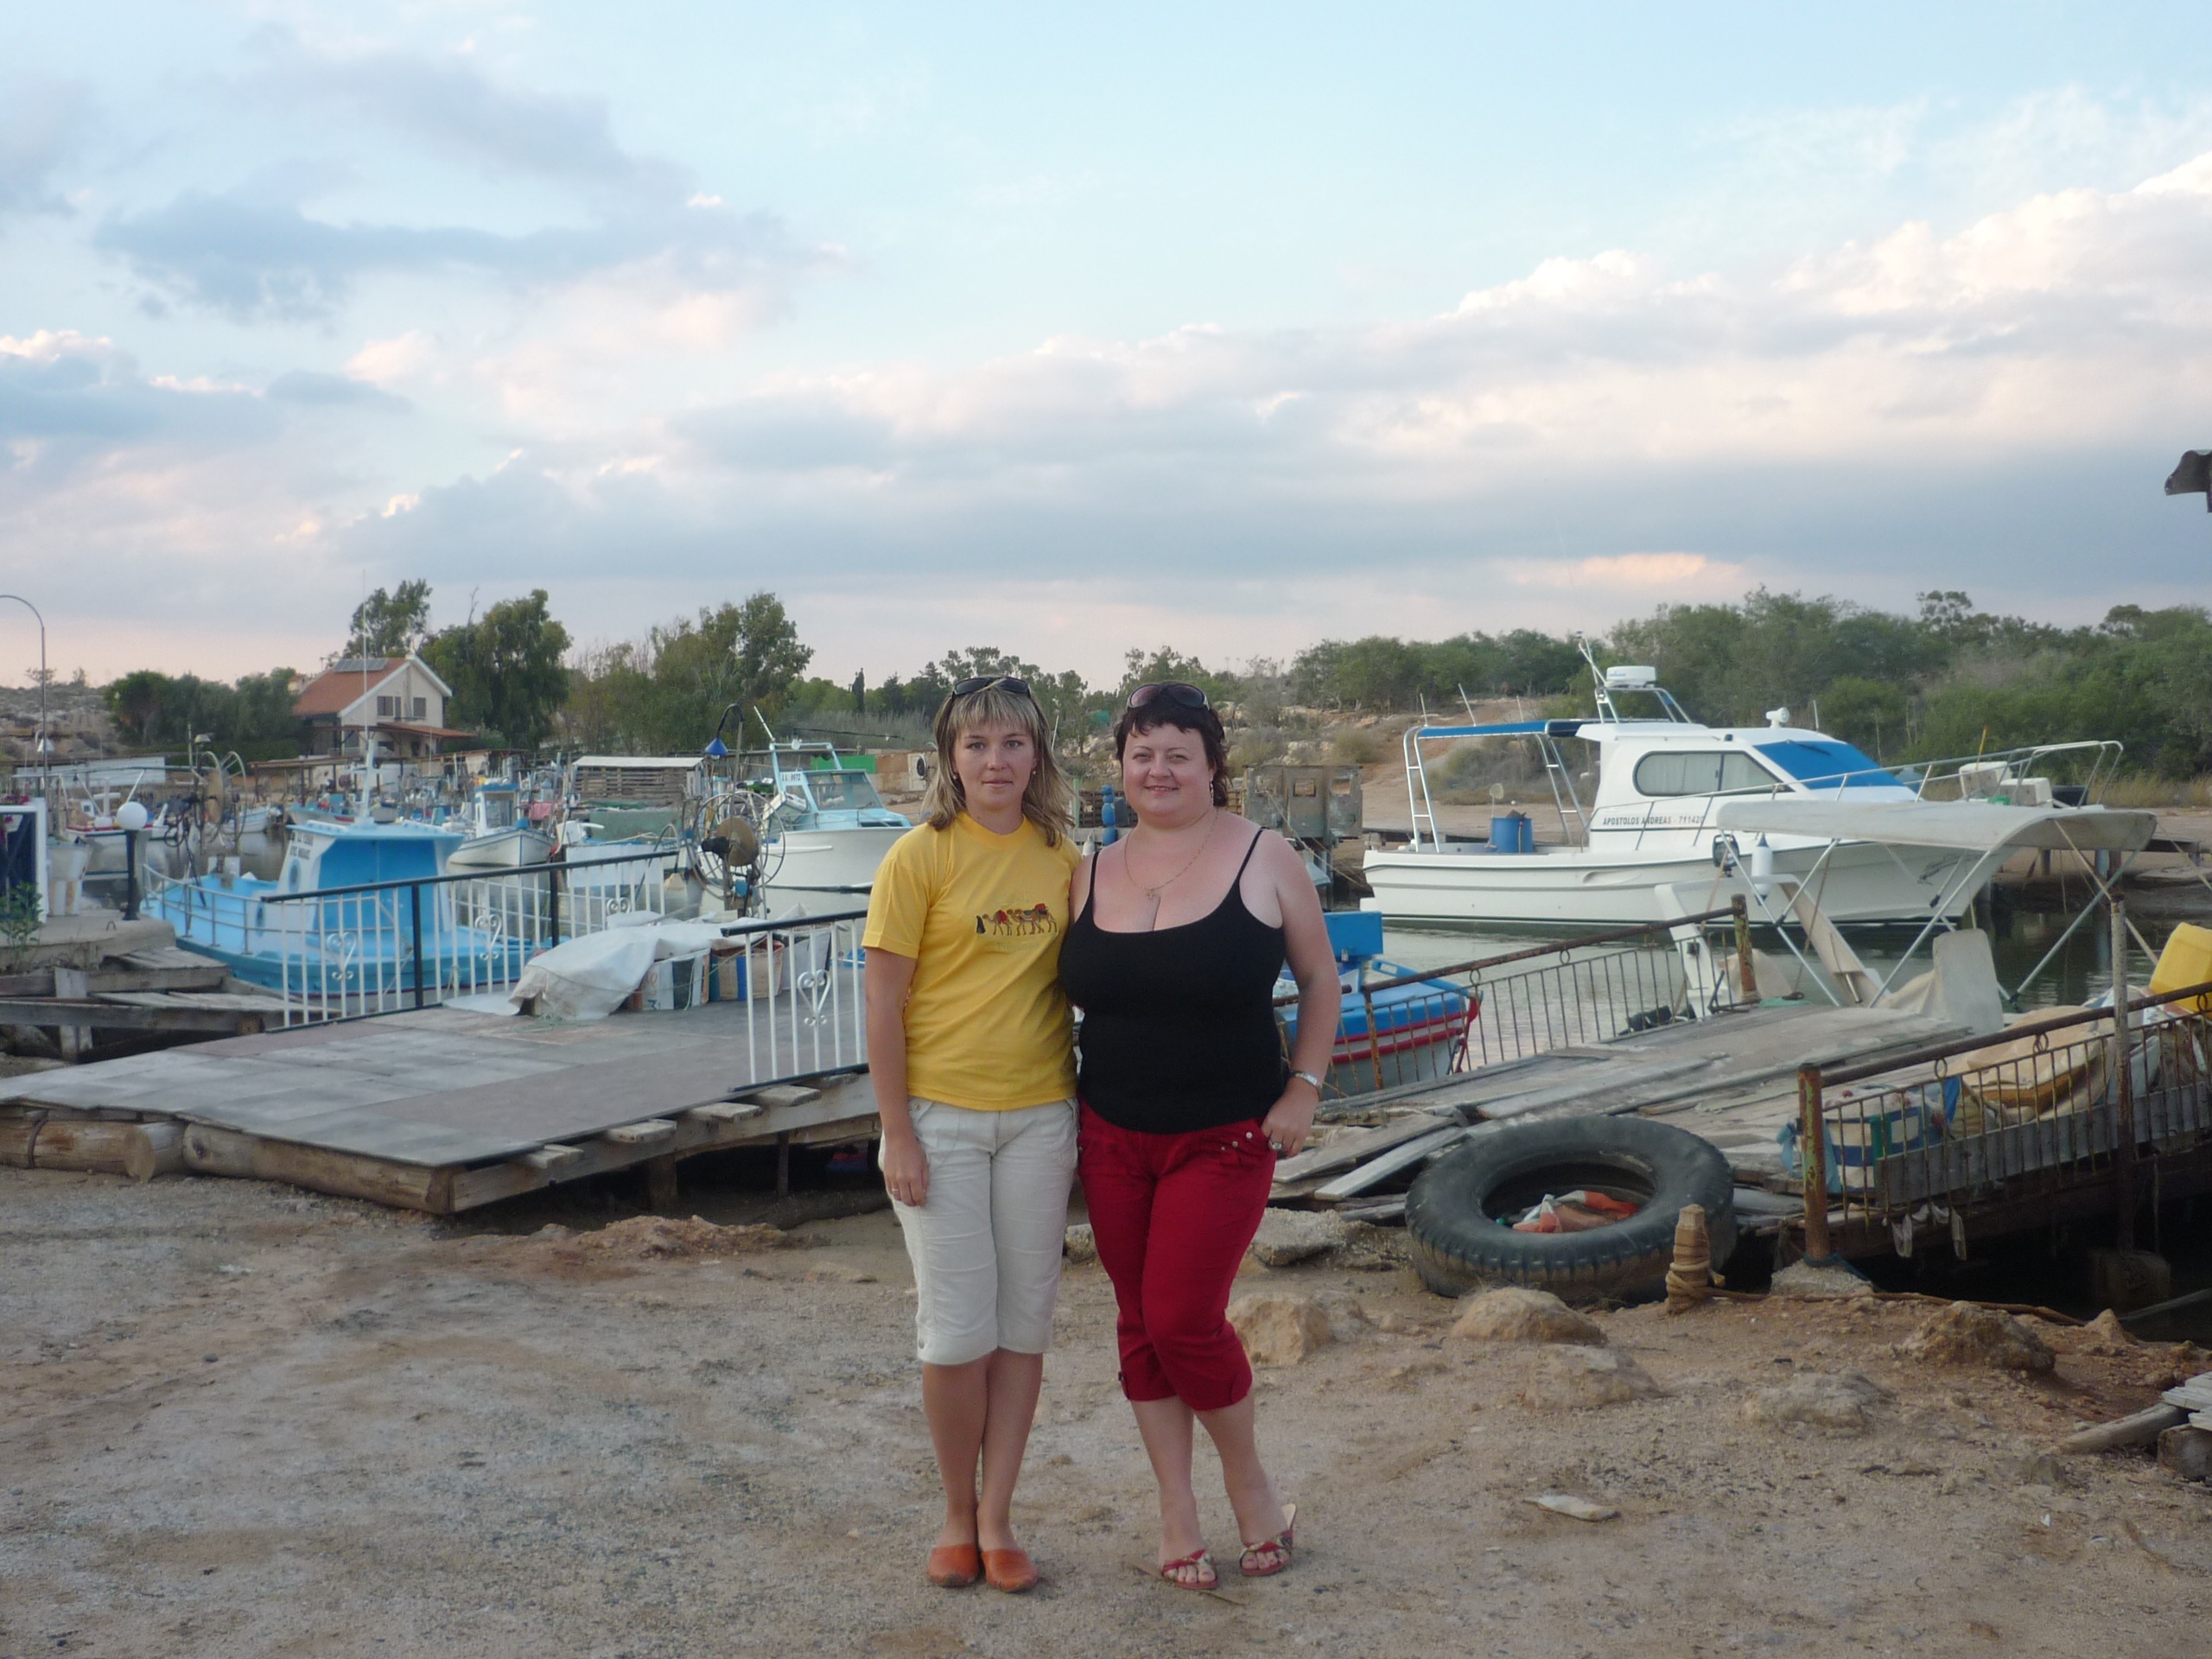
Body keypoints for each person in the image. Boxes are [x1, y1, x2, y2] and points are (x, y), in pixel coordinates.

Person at [1057, 681, 1340, 1591]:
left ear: (1213, 766)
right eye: (1142, 754)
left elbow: (1320, 979)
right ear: (1121, 767)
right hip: (1110, 1131)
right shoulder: (1087, 869)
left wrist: (1304, 1088)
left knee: (1183, 1317)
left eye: (1178, 754)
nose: (1159, 770)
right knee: (1139, 1322)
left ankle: (1249, 1483)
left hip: (1224, 1134)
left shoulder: (1265, 855)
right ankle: (1176, 1511)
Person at [862, 675, 1083, 1595]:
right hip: (939, 1120)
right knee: (957, 1333)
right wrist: (897, 1133)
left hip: (1041, 1117)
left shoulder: (1065, 857)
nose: (996, 761)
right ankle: (956, 1513)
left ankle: (999, 1518)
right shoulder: (918, 858)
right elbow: (882, 1002)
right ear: (950, 759)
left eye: (1013, 744)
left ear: (1037, 756)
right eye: (977, 744)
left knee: (1022, 1327)